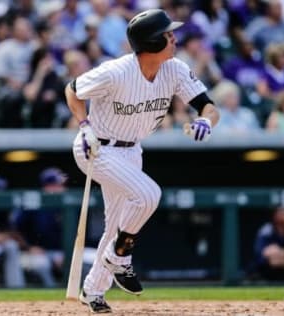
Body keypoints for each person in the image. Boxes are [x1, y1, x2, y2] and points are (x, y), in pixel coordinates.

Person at [65, 9, 219, 313]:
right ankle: (119, 257)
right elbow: (72, 90)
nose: (174, 38)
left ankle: (93, 291)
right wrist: (83, 127)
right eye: (167, 34)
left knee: (117, 225)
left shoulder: (174, 69)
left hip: (131, 150)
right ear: (151, 41)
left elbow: (207, 106)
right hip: (97, 148)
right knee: (149, 195)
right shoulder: (116, 71)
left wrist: (206, 122)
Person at [10, 167, 67, 287]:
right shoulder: (32, 204)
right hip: (35, 253)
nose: (62, 188)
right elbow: (14, 230)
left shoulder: (66, 204)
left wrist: (68, 253)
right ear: (47, 186)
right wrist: (29, 247)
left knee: (88, 260)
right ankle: (52, 293)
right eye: (58, 185)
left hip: (61, 252)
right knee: (42, 264)